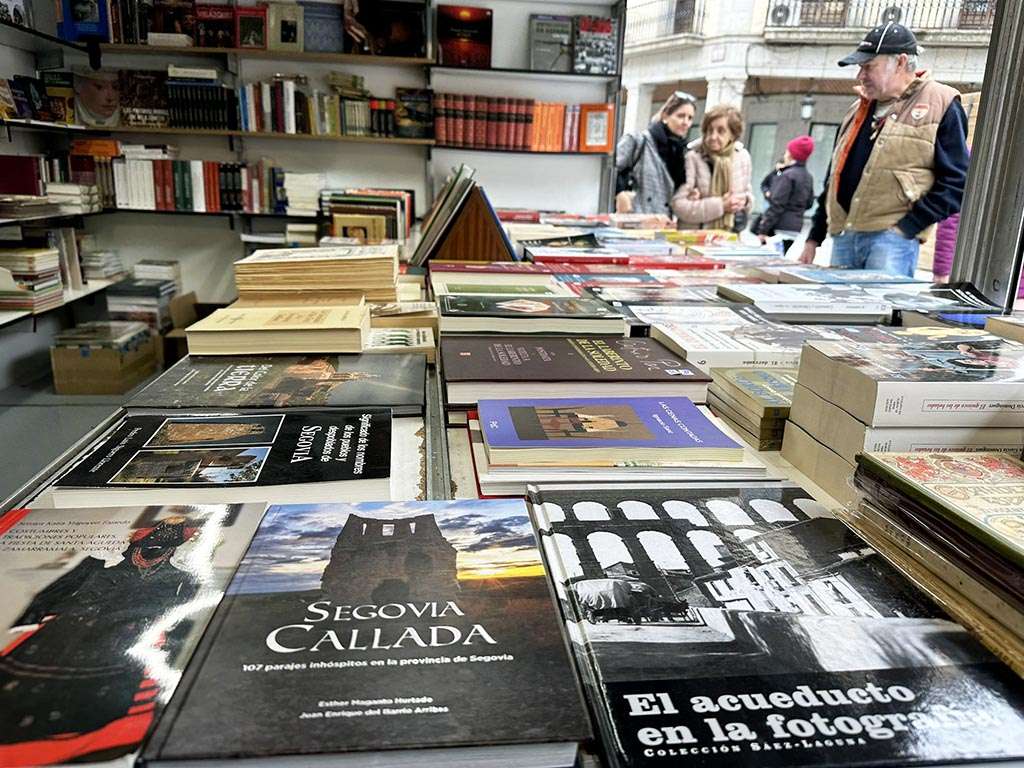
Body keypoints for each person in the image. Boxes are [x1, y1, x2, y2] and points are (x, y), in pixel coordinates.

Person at [799, 23, 969, 276]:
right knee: (840, 315)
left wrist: (907, 227)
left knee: (880, 314)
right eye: (860, 68)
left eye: (868, 66)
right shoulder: (856, 110)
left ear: (900, 62)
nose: (860, 75)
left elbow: (957, 182)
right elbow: (834, 176)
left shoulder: (941, 101)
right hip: (845, 236)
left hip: (892, 240)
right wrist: (814, 237)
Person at [671, 104, 753, 231]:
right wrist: (721, 205)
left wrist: (745, 202)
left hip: (728, 240)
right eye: (709, 130)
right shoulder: (692, 157)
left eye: (721, 131)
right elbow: (678, 206)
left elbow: (747, 194)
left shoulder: (742, 157)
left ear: (733, 134)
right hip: (696, 239)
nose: (713, 137)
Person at [614, 91, 697, 216]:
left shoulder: (682, 152)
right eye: (680, 116)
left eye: (690, 118)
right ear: (665, 116)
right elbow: (610, 171)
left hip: (664, 225)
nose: (686, 122)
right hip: (634, 219)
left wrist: (688, 194)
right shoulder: (638, 141)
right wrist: (620, 194)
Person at [755, 135, 816, 255]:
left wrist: (763, 229)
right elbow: (809, 203)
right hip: (795, 228)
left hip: (779, 227)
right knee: (778, 260)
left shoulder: (787, 176)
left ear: (791, 154)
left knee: (768, 264)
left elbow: (777, 205)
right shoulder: (808, 177)